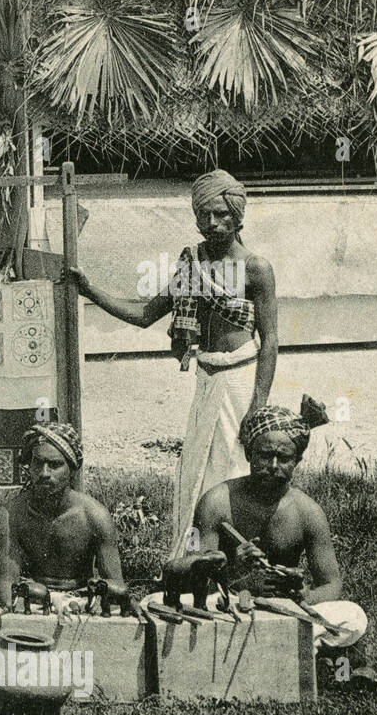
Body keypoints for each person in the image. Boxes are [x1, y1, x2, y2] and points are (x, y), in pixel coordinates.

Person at [65, 170, 279, 556]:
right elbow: (146, 314)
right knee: (197, 475)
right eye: (203, 215)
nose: (211, 223)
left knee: (234, 473)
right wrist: (89, 289)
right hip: (206, 381)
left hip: (240, 383)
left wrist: (258, 405)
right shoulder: (192, 264)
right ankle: (197, 560)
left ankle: (241, 562)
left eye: (219, 214)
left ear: (237, 215)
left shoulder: (256, 268)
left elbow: (271, 340)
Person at [171, 399, 375, 688]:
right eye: (265, 456)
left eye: (284, 458)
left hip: (284, 607)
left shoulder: (308, 512)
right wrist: (233, 573)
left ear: (298, 461)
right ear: (249, 453)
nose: (274, 466)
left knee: (353, 616)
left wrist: (302, 595)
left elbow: (332, 584)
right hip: (224, 603)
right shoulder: (216, 502)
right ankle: (314, 657)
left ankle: (339, 675)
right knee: (156, 603)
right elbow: (191, 576)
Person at [0, 423, 125, 616]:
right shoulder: (13, 513)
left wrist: (102, 601)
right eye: (38, 463)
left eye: (55, 465)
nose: (44, 473)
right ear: (29, 466)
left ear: (72, 469)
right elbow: (7, 581)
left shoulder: (94, 515)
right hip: (36, 601)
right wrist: (14, 608)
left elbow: (116, 584)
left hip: (83, 601)